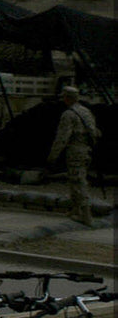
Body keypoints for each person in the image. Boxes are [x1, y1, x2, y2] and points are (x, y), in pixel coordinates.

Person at [47, 85, 101, 225]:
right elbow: (95, 132)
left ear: (67, 98)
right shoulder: (86, 112)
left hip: (75, 151)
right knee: (75, 179)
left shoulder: (69, 114)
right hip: (86, 150)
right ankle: (76, 209)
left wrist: (53, 156)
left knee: (78, 181)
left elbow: (62, 137)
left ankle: (86, 215)